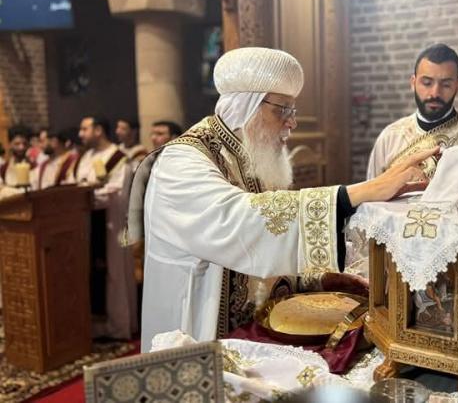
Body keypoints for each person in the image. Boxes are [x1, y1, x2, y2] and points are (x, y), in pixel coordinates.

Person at [131, 47, 434, 352]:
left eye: (293, 111)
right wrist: (367, 189)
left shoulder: (251, 155)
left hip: (250, 332)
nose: (292, 123)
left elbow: (270, 246)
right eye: (282, 110)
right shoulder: (180, 160)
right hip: (198, 330)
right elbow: (246, 223)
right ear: (245, 106)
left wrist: (322, 280)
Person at [366, 43, 458, 179]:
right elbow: (371, 194)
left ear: (457, 86)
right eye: (427, 83)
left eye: (446, 85)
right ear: (413, 83)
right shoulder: (390, 137)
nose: (435, 93)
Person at [76, 116, 137, 339]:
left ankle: (119, 325)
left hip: (112, 224)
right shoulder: (86, 157)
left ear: (99, 130)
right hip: (89, 225)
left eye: (84, 129)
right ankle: (97, 325)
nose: (80, 134)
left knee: (115, 273)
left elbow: (116, 193)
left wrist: (84, 197)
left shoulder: (119, 158)